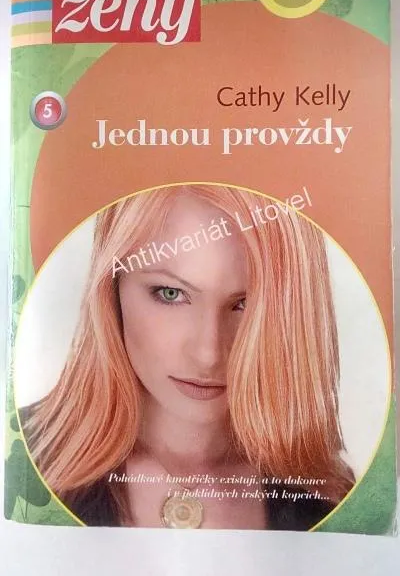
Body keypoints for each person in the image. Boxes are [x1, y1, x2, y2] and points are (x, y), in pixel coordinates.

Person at [20, 184, 354, 529]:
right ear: (112, 288)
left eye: (247, 304)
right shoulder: (17, 460)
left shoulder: (333, 500)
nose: (208, 354)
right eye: (170, 293)